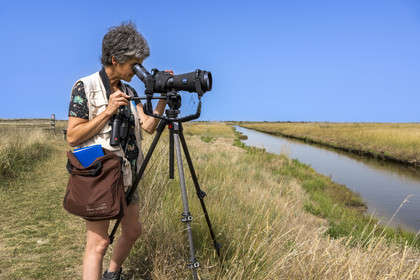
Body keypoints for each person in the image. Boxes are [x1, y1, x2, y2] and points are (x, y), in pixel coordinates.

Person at [67, 22, 166, 280]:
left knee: (133, 231)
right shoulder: (84, 87)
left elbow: (148, 126)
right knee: (98, 244)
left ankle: (112, 274)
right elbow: (73, 135)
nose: (138, 69)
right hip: (100, 176)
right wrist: (107, 112)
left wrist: (163, 100)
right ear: (115, 59)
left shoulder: (130, 90)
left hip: (129, 175)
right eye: (134, 64)